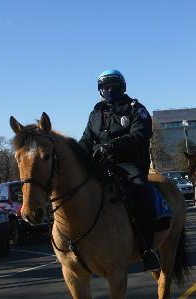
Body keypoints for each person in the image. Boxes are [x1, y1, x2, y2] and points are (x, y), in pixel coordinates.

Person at [78, 69, 160, 271]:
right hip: (100, 164)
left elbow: (140, 135)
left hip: (128, 164)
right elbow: (86, 140)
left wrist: (112, 146)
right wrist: (74, 153)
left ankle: (148, 248)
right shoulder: (95, 113)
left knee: (141, 191)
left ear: (122, 87)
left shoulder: (136, 109)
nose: (109, 89)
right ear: (100, 90)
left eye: (113, 86)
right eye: (105, 87)